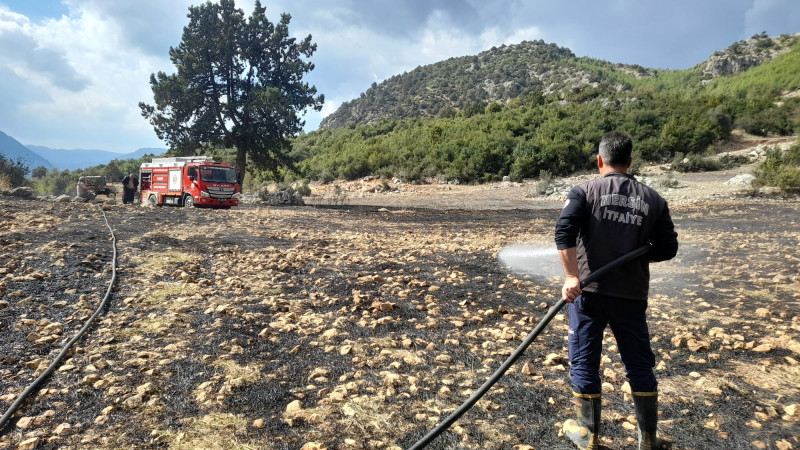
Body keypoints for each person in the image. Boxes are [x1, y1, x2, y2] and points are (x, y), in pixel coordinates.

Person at [554, 131, 678, 450]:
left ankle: (588, 434)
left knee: (584, 359)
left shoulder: (583, 191)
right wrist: (634, 255)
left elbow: (563, 232)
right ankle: (648, 439)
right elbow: (668, 248)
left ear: (600, 160)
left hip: (588, 294)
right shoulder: (654, 200)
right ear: (630, 161)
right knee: (638, 362)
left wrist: (571, 276)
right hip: (632, 295)